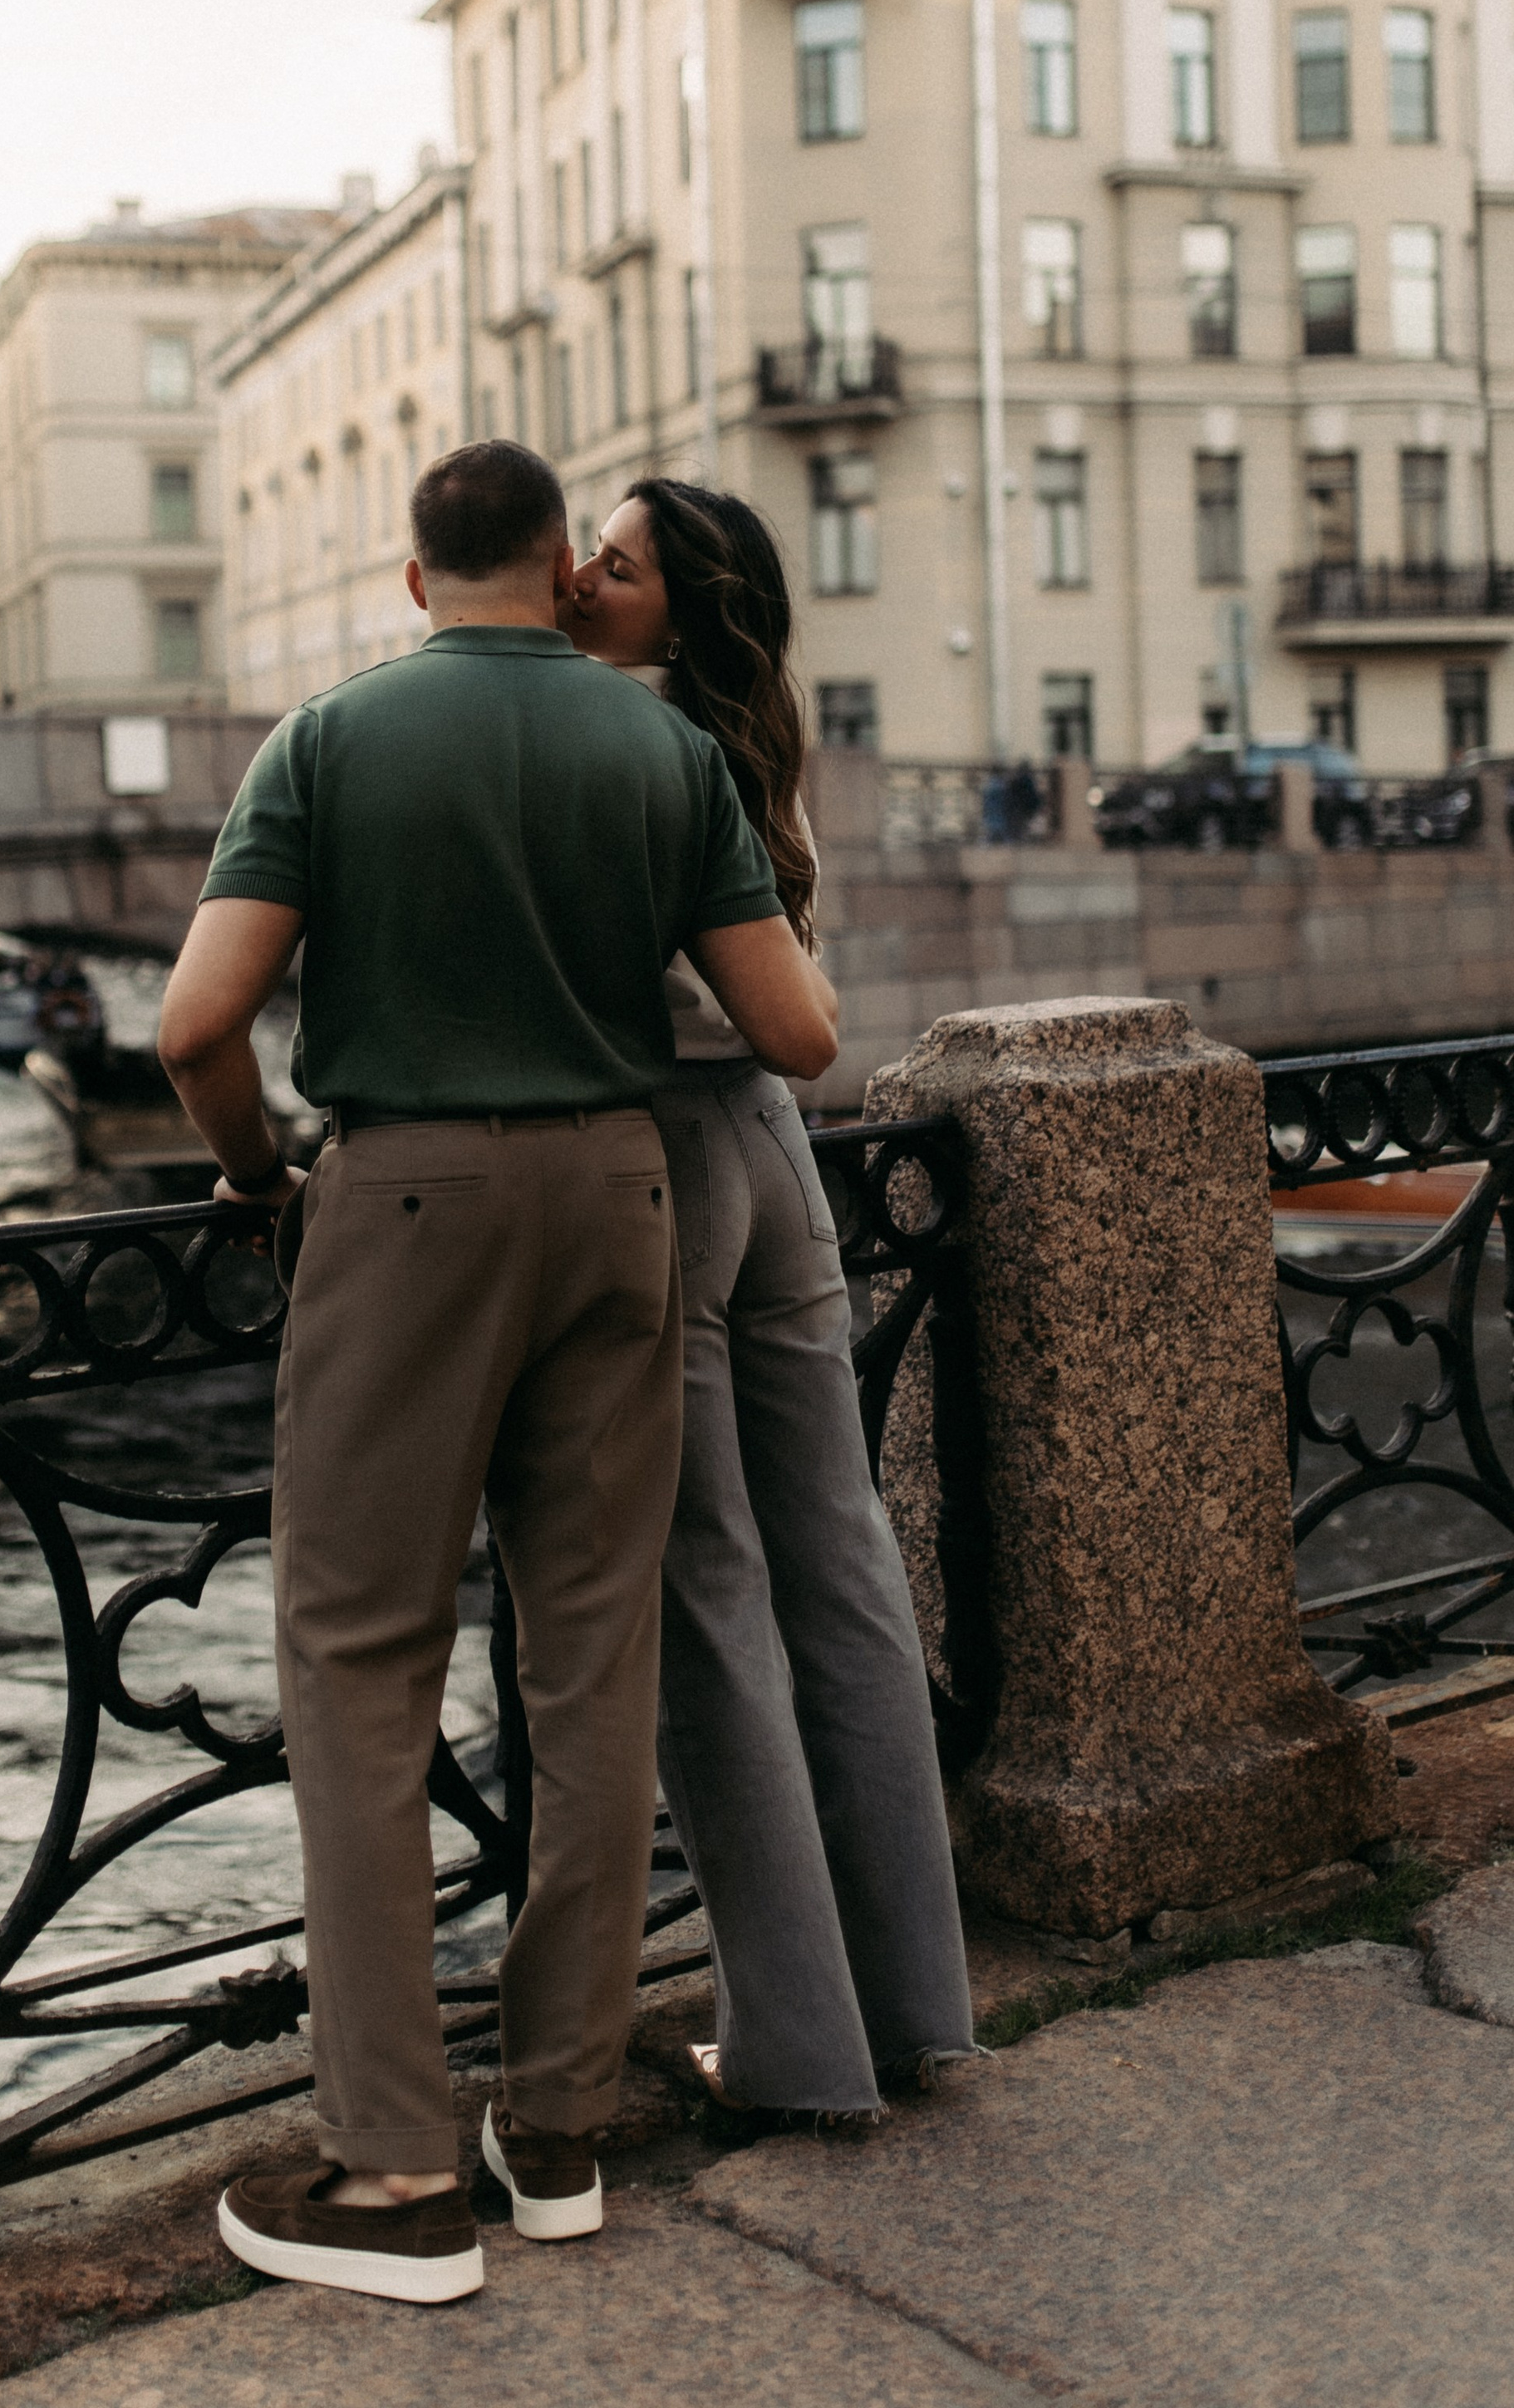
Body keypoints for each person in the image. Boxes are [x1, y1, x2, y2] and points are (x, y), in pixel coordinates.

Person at [155, 440, 837, 2304]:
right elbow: (796, 1030)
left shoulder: (324, 739)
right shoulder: (668, 753)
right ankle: (550, 2133)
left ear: (409, 575)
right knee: (591, 1658)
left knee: (362, 1662)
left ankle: (388, 2173)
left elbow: (198, 1022)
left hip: (405, 1208)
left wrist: (251, 1171)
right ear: (555, 564)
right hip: (618, 1200)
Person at [564, 478, 975, 2119]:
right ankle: (914, 2005)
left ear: (683, 604)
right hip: (779, 1158)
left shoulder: (617, 741)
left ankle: (794, 2048)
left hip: (666, 1150)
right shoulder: (748, 728)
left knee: (709, 1594)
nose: (583, 574)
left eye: (615, 559)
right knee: (845, 1566)